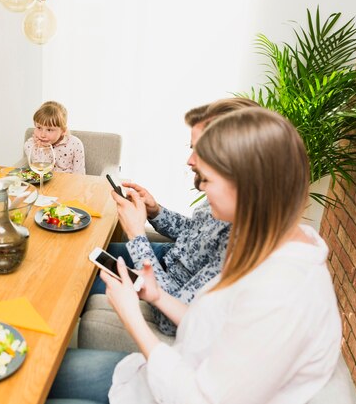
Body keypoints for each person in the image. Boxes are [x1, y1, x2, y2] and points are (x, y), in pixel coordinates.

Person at [48, 107, 341, 404]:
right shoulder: (265, 241)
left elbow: (199, 397)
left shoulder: (281, 294)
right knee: (42, 372)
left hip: (171, 388)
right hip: (156, 376)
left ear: (247, 187)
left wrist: (132, 316)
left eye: (207, 180)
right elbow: (208, 323)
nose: (201, 187)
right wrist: (157, 297)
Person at [89, 98, 259, 336]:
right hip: (168, 258)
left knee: (79, 282)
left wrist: (137, 234)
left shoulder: (241, 240)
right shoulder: (224, 192)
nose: (190, 161)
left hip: (168, 284)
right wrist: (155, 211)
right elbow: (195, 231)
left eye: (201, 151)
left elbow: (173, 317)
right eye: (192, 148)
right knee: (83, 256)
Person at [24, 101, 86, 174]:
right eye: (39, 128)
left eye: (49, 130)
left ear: (63, 130)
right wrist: (43, 149)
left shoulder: (75, 144)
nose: (42, 135)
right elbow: (41, 173)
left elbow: (80, 175)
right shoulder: (30, 144)